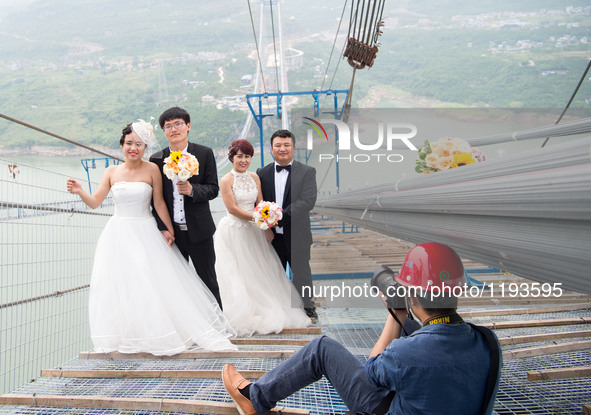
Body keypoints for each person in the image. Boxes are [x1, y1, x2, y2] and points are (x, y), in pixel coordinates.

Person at [222, 242, 502, 415]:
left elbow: (373, 372)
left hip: (384, 409)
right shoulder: (489, 342)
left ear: (412, 296)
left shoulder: (404, 353)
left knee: (322, 348)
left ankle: (254, 398)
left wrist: (394, 315)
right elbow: (437, 344)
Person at [67, 120, 236, 356]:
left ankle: (161, 332)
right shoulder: (111, 172)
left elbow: (158, 203)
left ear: (145, 147)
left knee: (150, 283)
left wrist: (170, 231)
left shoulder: (153, 169)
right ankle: (131, 334)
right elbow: (95, 202)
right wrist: (80, 191)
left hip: (146, 231)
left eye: (138, 143)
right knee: (122, 285)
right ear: (122, 145)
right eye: (129, 143)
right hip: (117, 234)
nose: (133, 148)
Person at [214, 139, 311, 336]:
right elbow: (232, 208)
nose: (243, 160)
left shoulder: (254, 177)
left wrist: (266, 223)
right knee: (238, 271)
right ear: (232, 157)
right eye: (239, 156)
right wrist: (258, 220)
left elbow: (261, 203)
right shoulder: (226, 180)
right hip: (235, 230)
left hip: (255, 230)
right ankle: (242, 310)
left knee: (261, 269)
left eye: (247, 156)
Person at [149, 106, 223, 309]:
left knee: (208, 281)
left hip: (200, 231)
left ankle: (219, 326)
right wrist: (163, 228)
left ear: (188, 126)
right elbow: (154, 200)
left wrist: (192, 190)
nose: (173, 129)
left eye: (178, 124)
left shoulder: (204, 153)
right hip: (172, 234)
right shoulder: (156, 159)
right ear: (164, 131)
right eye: (168, 126)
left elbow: (213, 189)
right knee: (174, 284)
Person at [256, 130, 318, 319]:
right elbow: (259, 203)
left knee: (302, 274)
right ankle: (277, 310)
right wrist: (267, 226)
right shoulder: (261, 173)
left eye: (286, 145)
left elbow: (308, 201)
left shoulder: (307, 171)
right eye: (278, 145)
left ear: (294, 147)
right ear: (271, 149)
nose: (282, 149)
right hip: (272, 236)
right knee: (274, 273)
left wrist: (279, 216)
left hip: (297, 234)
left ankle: (307, 308)